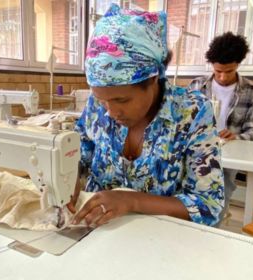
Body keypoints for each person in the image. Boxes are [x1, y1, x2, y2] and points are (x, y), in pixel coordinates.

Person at [68, 4, 224, 227]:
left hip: (159, 240)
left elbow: (208, 206)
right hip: (96, 229)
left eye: (122, 100)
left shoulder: (192, 112)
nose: (110, 112)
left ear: (153, 79)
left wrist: (131, 200)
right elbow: (78, 152)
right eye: (103, 100)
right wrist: (69, 175)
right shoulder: (96, 106)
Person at [188, 32, 253, 221]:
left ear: (238, 64)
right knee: (190, 198)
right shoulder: (197, 86)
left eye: (228, 71)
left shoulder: (252, 92)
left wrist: (235, 137)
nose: (222, 77)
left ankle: (215, 225)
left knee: (218, 200)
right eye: (217, 71)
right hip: (196, 152)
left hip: (228, 157)